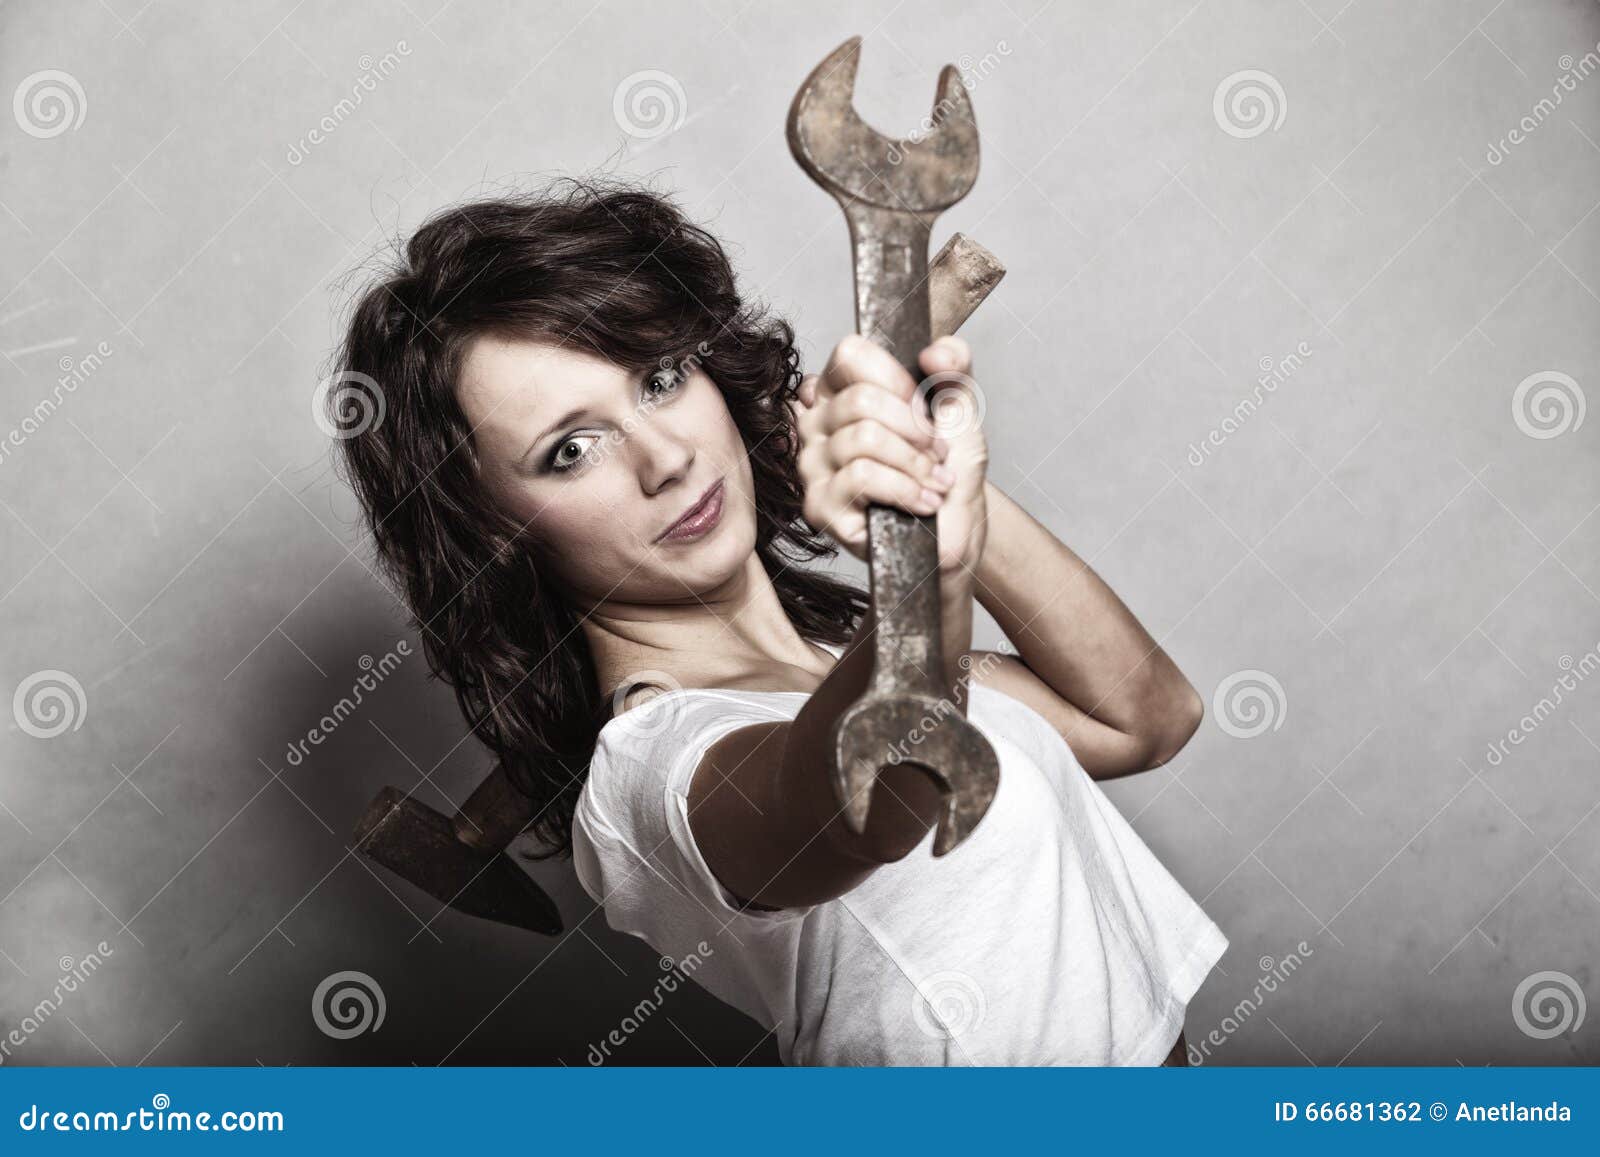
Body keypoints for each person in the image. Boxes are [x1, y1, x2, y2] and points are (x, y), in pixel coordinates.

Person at [330, 174, 1228, 1066]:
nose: (668, 457)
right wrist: (928, 561)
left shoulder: (852, 659)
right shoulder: (651, 774)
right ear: (496, 538)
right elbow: (862, 803)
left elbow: (1143, 716)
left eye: (662, 377)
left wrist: (923, 477)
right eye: (570, 451)